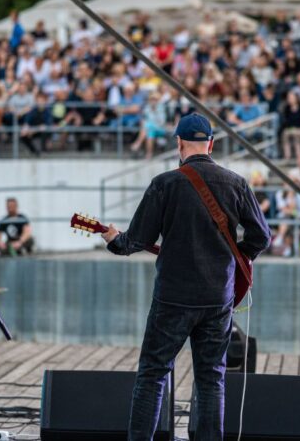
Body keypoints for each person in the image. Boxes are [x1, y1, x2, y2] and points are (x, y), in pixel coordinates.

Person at [100, 113, 270, 440]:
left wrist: (113, 240)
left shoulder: (164, 184)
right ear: (212, 144)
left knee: (152, 375)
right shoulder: (236, 183)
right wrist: (235, 257)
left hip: (172, 298)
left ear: (178, 143)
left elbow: (134, 241)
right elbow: (261, 236)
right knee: (211, 380)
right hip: (216, 298)